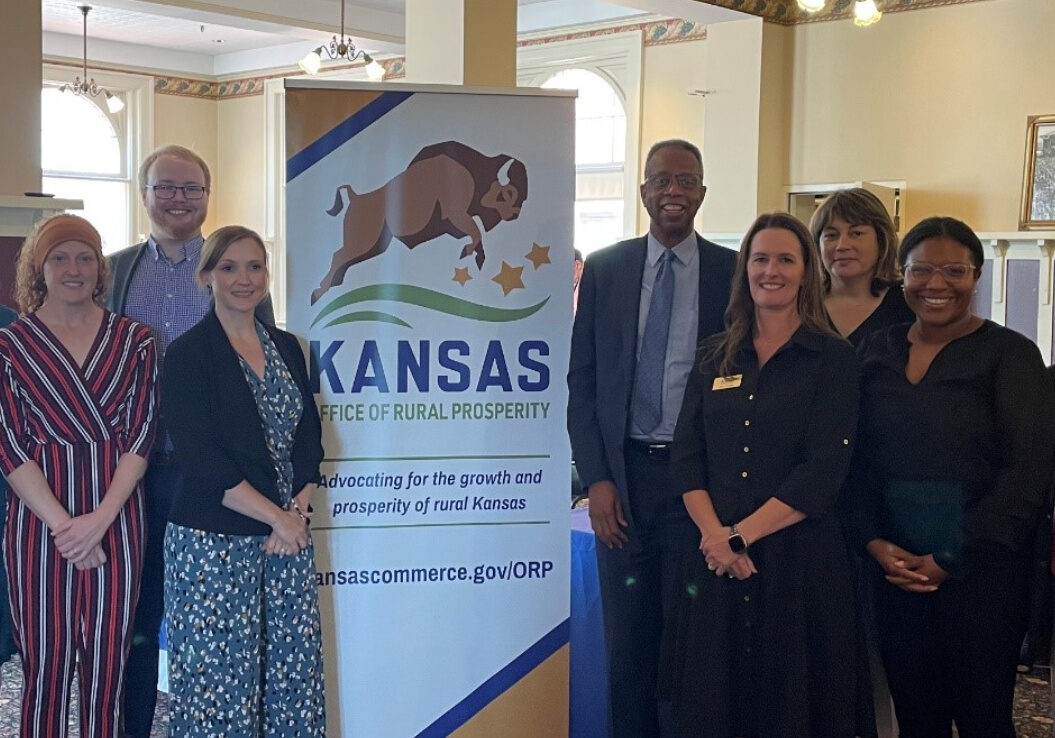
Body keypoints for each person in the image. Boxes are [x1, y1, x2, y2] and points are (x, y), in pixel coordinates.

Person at [660, 212, 870, 738]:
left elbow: (825, 469)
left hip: (799, 562)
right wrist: (716, 537)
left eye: (785, 259)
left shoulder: (834, 360)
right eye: (759, 259)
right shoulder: (714, 355)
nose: (770, 271)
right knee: (715, 705)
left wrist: (740, 536)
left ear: (806, 272)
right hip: (714, 559)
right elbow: (687, 457)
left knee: (792, 706)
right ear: (744, 270)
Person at [851, 216, 1054, 737]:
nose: (936, 284)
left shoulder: (1011, 355)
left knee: (983, 718)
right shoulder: (876, 350)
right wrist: (873, 541)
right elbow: (855, 460)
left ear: (976, 276)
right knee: (917, 718)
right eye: (921, 270)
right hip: (893, 568)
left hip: (983, 573)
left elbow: (1029, 472)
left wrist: (951, 558)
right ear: (901, 275)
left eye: (954, 271)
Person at [567, 139, 737, 737]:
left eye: (687, 181)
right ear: (642, 191)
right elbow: (582, 382)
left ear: (702, 194)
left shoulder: (731, 273)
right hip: (626, 482)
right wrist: (598, 479)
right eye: (662, 180)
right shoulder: (607, 269)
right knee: (629, 648)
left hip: (700, 487)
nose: (674, 191)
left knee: (695, 651)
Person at [108, 144, 273, 736]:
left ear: (207, 196)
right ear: (144, 193)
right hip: (137, 470)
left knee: (213, 617)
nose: (178, 198)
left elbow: (265, 367)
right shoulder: (114, 269)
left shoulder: (238, 267)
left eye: (190, 188)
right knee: (139, 614)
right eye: (165, 187)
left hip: (220, 477)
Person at [161, 225, 325, 734]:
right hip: (212, 545)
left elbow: (309, 443)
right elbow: (201, 459)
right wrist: (278, 518)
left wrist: (294, 516)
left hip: (286, 544)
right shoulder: (186, 355)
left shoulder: (290, 348)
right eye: (228, 267)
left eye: (254, 266)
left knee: (291, 681)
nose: (243, 278)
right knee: (220, 687)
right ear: (206, 275)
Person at [0, 214, 158, 735]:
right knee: (44, 668)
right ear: (39, 268)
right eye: (61, 257)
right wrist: (67, 527)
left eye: (86, 256)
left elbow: (142, 435)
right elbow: (8, 443)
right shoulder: (10, 346)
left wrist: (99, 521)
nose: (75, 268)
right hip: (40, 526)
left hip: (118, 519)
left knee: (108, 670)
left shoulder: (136, 340)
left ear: (101, 267)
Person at [809, 188, 913, 347]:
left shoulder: (908, 304)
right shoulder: (802, 305)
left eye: (856, 233)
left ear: (881, 239)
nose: (842, 245)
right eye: (832, 235)